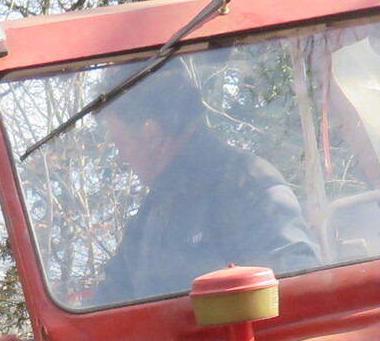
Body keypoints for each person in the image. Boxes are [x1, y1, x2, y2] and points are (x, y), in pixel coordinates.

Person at [90, 62, 320, 308]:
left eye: (121, 144)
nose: (121, 159)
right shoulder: (152, 214)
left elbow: (302, 294)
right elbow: (108, 301)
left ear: (152, 134)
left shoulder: (246, 190)